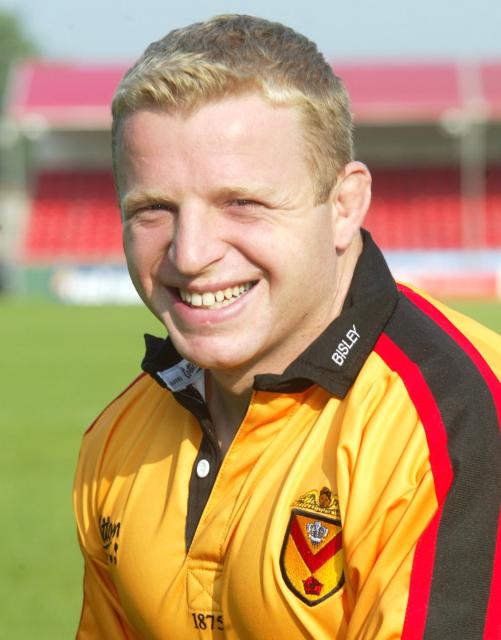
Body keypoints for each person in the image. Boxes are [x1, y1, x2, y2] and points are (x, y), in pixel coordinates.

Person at [73, 14, 501, 639]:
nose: (190, 254)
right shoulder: (115, 440)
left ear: (344, 206)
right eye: (153, 209)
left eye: (241, 203)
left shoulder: (454, 424)